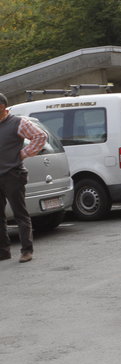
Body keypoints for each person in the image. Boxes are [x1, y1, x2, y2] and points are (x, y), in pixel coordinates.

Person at [0, 93, 47, 263]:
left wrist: (22, 154)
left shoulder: (18, 122)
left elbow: (40, 136)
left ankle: (27, 250)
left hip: (13, 174)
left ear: (2, 108)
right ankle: (3, 252)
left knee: (20, 214)